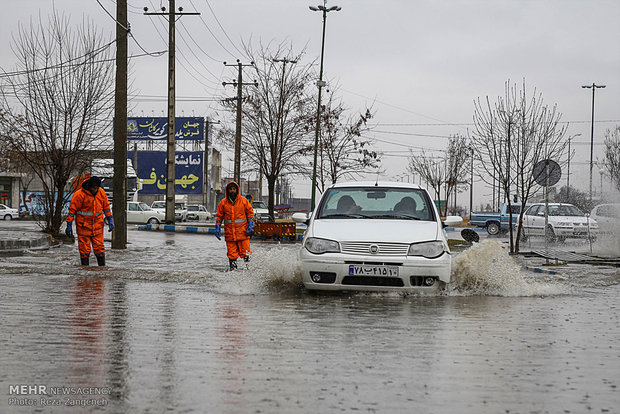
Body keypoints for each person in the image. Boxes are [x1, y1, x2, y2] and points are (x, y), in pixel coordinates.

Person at [65, 176, 114, 266]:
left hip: (97, 227)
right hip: (83, 227)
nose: (96, 190)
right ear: (89, 186)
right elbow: (72, 211)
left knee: (100, 250)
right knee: (84, 251)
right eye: (94, 188)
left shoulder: (101, 193)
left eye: (97, 188)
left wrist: (110, 219)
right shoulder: (79, 195)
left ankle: (101, 271)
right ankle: (85, 271)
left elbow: (106, 207)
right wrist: (69, 224)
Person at [215, 181, 254, 270]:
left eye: (234, 189)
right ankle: (233, 274)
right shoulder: (223, 203)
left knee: (246, 254)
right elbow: (219, 216)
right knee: (232, 255)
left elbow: (250, 213)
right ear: (227, 191)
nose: (232, 191)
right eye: (230, 189)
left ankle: (250, 272)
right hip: (230, 235)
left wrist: (250, 224)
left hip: (243, 233)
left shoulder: (243, 201)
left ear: (237, 190)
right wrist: (217, 226)